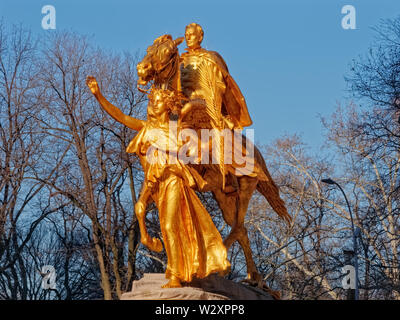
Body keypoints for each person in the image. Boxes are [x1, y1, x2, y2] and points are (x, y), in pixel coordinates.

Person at [87, 76, 231, 289]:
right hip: (155, 187)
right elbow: (120, 116)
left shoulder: (179, 133)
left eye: (158, 101)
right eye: (151, 100)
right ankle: (175, 266)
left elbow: (201, 148)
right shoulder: (146, 129)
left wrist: (220, 133)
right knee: (164, 227)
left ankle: (174, 274)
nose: (153, 104)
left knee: (170, 226)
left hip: (173, 182)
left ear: (168, 106)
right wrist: (99, 95)